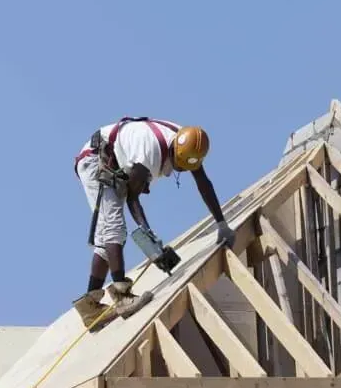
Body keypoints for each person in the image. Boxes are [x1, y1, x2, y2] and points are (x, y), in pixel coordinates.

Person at [72, 116, 235, 330]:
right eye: (178, 166)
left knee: (107, 238)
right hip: (96, 160)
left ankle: (90, 307)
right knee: (114, 228)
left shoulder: (188, 143)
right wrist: (152, 243)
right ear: (174, 152)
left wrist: (221, 223)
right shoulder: (148, 155)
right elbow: (132, 198)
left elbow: (203, 182)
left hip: (114, 160)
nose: (180, 170)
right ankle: (122, 296)